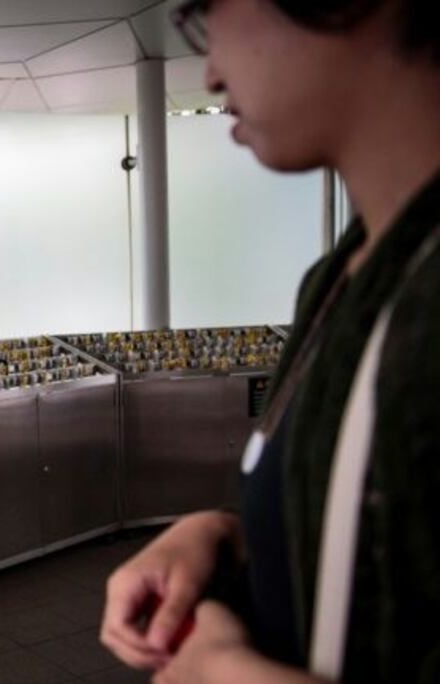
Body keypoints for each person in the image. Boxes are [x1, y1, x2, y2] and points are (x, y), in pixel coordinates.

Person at [100, 0, 440, 681]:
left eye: (208, 12)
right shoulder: (344, 276)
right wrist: (229, 535)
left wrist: (225, 672)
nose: (213, 72)